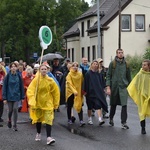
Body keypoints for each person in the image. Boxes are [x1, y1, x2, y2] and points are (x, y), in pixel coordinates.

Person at [27, 64, 60, 145]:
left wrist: (56, 103)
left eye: (45, 69)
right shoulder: (36, 80)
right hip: (38, 102)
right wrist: (32, 100)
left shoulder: (50, 80)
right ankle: (38, 133)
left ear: (47, 70)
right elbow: (30, 90)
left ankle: (49, 137)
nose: (44, 70)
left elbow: (56, 92)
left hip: (48, 102)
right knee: (38, 119)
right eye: (42, 69)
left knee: (49, 119)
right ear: (39, 70)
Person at [106, 49, 131, 129]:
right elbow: (108, 76)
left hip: (123, 87)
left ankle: (124, 122)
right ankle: (111, 118)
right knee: (113, 104)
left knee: (124, 105)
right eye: (119, 53)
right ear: (116, 54)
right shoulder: (112, 64)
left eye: (122, 53)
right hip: (114, 87)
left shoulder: (126, 64)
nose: (121, 54)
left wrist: (130, 88)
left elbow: (129, 77)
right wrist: (108, 87)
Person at [127, 60, 150, 134]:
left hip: (149, 95)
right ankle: (143, 128)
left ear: (149, 66)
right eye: (142, 65)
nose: (143, 66)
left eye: (145, 65)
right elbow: (134, 83)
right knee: (141, 112)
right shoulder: (139, 74)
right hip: (141, 96)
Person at [83, 60, 108, 125]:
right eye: (94, 64)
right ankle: (89, 119)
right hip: (90, 92)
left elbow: (102, 82)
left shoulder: (99, 74)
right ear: (91, 65)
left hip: (97, 92)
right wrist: (85, 91)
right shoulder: (88, 73)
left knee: (98, 105)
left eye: (96, 64)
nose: (95, 65)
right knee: (90, 107)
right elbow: (85, 83)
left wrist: (104, 89)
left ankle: (100, 119)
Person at [2, 62, 25, 131]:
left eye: (14, 66)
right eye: (12, 67)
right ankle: (9, 120)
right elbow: (4, 87)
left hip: (16, 95)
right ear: (10, 68)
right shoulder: (7, 76)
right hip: (9, 96)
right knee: (10, 110)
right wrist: (4, 98)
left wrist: (22, 96)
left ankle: (15, 125)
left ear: (16, 67)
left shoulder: (18, 76)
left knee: (15, 109)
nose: (13, 68)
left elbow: (21, 86)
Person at [66, 62, 85, 127]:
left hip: (78, 91)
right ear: (71, 67)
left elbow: (82, 82)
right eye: (73, 66)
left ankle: (81, 120)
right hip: (70, 92)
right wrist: (74, 91)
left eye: (76, 66)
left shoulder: (80, 74)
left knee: (79, 104)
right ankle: (69, 119)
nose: (75, 67)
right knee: (70, 105)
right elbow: (69, 83)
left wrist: (83, 90)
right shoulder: (69, 75)